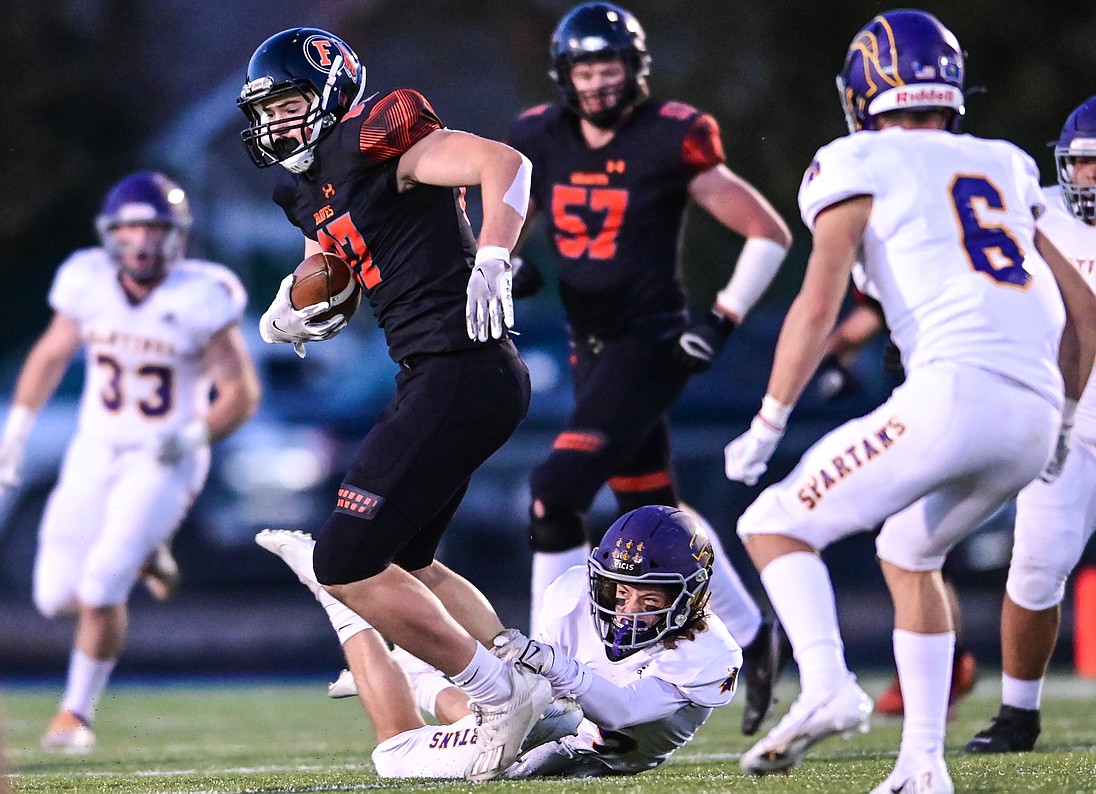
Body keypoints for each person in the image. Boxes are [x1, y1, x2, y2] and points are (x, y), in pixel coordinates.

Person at [722, 9, 1096, 792]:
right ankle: (923, 764)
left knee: (771, 523)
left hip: (954, 391)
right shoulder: (1002, 161)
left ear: (864, 91)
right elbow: (1086, 310)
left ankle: (828, 685)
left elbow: (818, 302)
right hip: (1033, 409)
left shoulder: (853, 159)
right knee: (908, 552)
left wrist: (769, 420)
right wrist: (1062, 424)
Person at [236, 27, 550, 781]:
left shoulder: (377, 137)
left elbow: (503, 163)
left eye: (288, 104)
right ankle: (537, 680)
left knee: (343, 562)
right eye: (266, 110)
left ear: (332, 93)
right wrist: (291, 299)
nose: (275, 123)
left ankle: (498, 695)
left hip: (460, 367)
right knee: (408, 560)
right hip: (435, 375)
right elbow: (338, 249)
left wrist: (497, 253)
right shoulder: (296, 189)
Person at [505, 1, 793, 736]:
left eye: (610, 69)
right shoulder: (538, 133)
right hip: (590, 348)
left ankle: (542, 672)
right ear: (564, 74)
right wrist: (502, 260)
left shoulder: (671, 135)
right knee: (656, 510)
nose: (599, 84)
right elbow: (511, 214)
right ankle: (757, 636)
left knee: (555, 492)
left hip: (648, 345)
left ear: (635, 71)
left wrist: (721, 319)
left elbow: (766, 230)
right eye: (586, 70)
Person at [0, 171, 261, 752]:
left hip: (161, 458)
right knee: (51, 596)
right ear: (111, 236)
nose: (142, 243)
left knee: (99, 589)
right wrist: (16, 428)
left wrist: (192, 438)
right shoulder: (86, 280)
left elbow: (240, 394)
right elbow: (49, 354)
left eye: (154, 230)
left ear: (176, 237)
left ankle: (75, 714)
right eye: (132, 229)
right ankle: (147, 552)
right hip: (94, 450)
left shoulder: (201, 294)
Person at [966, 93, 1096, 755]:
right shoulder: (1041, 212)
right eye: (1078, 167)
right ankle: (1017, 716)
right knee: (1032, 568)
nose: (1086, 181)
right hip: (1068, 434)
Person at [256, 504, 742, 778]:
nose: (628, 607)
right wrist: (539, 669)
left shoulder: (711, 651)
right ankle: (339, 595)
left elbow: (624, 711)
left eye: (650, 597)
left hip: (599, 744)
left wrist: (552, 665)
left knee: (425, 740)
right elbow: (546, 700)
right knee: (426, 742)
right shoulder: (572, 594)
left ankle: (405, 665)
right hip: (567, 728)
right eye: (620, 589)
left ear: (692, 597)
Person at [816, 292, 980, 719]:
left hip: (936, 408)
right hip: (967, 401)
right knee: (921, 547)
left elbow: (865, 318)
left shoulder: (909, 242)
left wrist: (833, 353)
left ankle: (941, 669)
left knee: (912, 549)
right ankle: (946, 664)